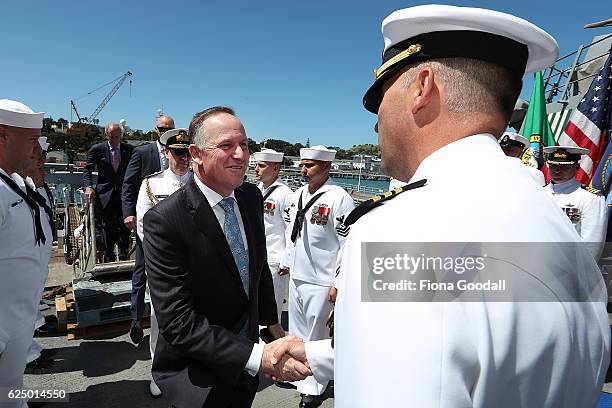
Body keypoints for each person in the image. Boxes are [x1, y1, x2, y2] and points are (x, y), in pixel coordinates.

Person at [269, 5, 610, 407]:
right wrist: (322, 355)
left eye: (380, 96)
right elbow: (486, 339)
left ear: (422, 88)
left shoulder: (402, 230)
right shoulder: (546, 214)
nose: (376, 122)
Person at [143, 106, 308, 408]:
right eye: (227, 146)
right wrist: (259, 356)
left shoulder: (250, 198)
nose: (241, 155)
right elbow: (178, 322)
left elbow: (255, 270)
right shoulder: (165, 220)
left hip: (247, 367)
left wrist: (274, 329)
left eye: (244, 145)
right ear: (195, 154)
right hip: (199, 378)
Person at [280, 145, 354, 408]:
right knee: (297, 331)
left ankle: (315, 386)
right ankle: (299, 376)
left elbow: (348, 243)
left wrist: (338, 281)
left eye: (309, 165)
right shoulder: (298, 194)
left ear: (326, 167)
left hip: (322, 279)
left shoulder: (338, 197)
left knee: (316, 334)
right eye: (302, 165)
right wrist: (287, 262)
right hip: (299, 275)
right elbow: (293, 233)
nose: (303, 170)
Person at [0, 99, 51, 408]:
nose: (37, 149)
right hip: (2, 323)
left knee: (10, 391)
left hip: (18, 319)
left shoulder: (15, 183)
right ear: (3, 136)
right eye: (31, 140)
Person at [135, 128, 191, 398]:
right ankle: (158, 370)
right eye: (178, 153)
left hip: (197, 266)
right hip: (165, 268)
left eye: (187, 154)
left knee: (197, 319)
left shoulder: (202, 184)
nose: (183, 159)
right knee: (161, 320)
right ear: (167, 153)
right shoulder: (151, 185)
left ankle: (190, 369)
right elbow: (144, 227)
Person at [122, 115, 175, 344]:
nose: (165, 131)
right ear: (155, 130)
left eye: (169, 128)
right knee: (140, 271)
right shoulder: (143, 153)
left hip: (173, 227)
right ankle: (136, 319)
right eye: (162, 128)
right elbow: (129, 183)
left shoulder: (179, 153)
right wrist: (128, 213)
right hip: (148, 222)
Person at [544, 145, 608, 260]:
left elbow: (591, 244)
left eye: (565, 167)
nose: (557, 171)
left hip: (567, 266)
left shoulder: (590, 198)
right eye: (553, 166)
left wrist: (581, 273)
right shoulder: (538, 191)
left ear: (577, 167)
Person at [83, 122, 134, 262]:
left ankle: (124, 253)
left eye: (117, 137)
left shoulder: (129, 150)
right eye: (112, 137)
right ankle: (109, 254)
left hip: (123, 194)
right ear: (107, 135)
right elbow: (87, 170)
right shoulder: (97, 149)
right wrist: (89, 186)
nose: (115, 140)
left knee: (125, 226)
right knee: (106, 227)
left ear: (121, 136)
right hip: (105, 194)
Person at [253, 148, 293, 324]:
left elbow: (291, 228)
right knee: (256, 300)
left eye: (261, 166)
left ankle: (273, 338)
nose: (256, 169)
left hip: (274, 257)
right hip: (258, 254)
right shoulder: (258, 189)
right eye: (256, 165)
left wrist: (286, 259)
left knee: (272, 303)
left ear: (275, 168)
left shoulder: (285, 194)